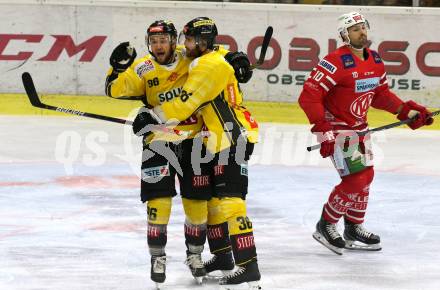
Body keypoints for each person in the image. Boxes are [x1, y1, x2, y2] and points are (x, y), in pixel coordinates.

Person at [105, 20, 254, 286]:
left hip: (194, 141)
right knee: (158, 201)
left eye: (164, 40)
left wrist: (234, 55)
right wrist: (116, 69)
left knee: (197, 204)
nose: (158, 46)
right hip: (157, 141)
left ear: (174, 41)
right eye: (154, 41)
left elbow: (217, 55)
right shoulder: (143, 67)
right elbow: (114, 89)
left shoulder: (192, 58)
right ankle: (157, 256)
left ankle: (195, 255)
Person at [298, 11, 434, 255]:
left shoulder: (374, 59)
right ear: (344, 35)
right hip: (338, 129)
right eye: (355, 29)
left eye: (363, 27)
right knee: (358, 178)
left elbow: (380, 95)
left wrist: (405, 111)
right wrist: (323, 129)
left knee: (365, 180)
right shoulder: (335, 61)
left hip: (361, 128)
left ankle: (353, 227)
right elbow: (309, 95)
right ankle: (326, 224)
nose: (362, 32)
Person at [148, 17, 262, 289]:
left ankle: (248, 266)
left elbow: (183, 106)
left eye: (188, 40)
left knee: (231, 202)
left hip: (232, 137)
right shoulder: (213, 56)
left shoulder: (206, 65)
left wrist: (149, 117)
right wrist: (236, 55)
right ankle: (223, 257)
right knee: (213, 202)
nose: (183, 45)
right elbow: (223, 54)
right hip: (217, 139)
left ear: (201, 42)